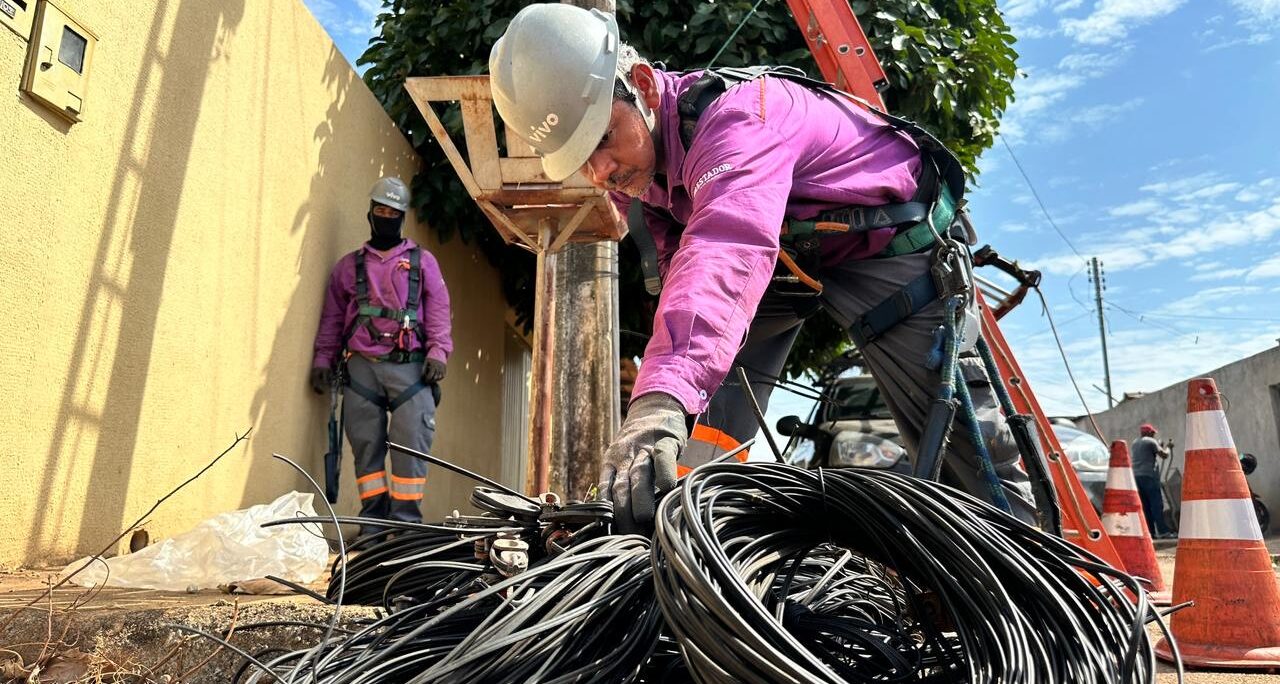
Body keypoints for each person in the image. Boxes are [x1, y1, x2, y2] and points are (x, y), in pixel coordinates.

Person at [489, 4, 1038, 533]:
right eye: (580, 159)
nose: (600, 170)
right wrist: (668, 406)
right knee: (703, 414)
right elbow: (687, 298)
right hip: (793, 254)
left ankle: (1025, 584)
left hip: (889, 241)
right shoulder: (647, 181)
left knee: (960, 448)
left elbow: (725, 249)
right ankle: (687, 542)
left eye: (602, 139)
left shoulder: (741, 121)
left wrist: (655, 402)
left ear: (644, 85)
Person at [310, 177, 453, 534]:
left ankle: (404, 529)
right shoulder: (348, 267)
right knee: (366, 450)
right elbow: (331, 317)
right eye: (380, 210)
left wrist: (438, 351)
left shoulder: (423, 263)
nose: (386, 217)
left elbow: (439, 310)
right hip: (361, 371)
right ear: (370, 214)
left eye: (394, 212)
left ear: (402, 217)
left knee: (411, 450)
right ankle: (373, 525)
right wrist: (322, 360)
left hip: (411, 371)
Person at [1132, 423, 1172, 538]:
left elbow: (1148, 452)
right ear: (1149, 433)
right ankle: (1163, 532)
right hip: (1149, 477)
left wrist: (1158, 445)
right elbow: (1164, 455)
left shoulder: (1135, 443)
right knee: (1156, 504)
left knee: (1146, 506)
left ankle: (1151, 533)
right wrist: (1168, 447)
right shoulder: (1151, 441)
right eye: (1153, 433)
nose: (1153, 435)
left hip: (1137, 477)